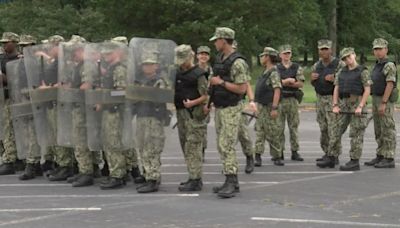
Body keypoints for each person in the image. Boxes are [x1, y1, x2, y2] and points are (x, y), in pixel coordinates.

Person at [207, 27, 250, 198]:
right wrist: (209, 102)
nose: (215, 43)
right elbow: (214, 83)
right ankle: (230, 180)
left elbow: (241, 88)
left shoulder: (238, 62)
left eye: (216, 40)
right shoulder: (220, 59)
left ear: (224, 40)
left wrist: (221, 83)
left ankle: (231, 180)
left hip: (232, 108)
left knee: (227, 144)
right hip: (220, 106)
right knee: (221, 144)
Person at [332, 47, 371, 171]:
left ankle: (354, 161)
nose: (347, 60)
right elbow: (336, 88)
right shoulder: (341, 71)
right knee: (335, 130)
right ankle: (332, 156)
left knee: (356, 134)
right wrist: (335, 105)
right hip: (343, 104)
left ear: (354, 55)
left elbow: (367, 89)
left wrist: (360, 106)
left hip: (357, 104)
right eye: (344, 58)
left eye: (349, 56)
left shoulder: (363, 71)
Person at [174, 45, 208, 191]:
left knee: (193, 146)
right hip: (181, 113)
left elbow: (206, 95)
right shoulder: (177, 72)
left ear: (190, 57)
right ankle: (192, 175)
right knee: (185, 145)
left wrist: (193, 103)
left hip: (193, 114)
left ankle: (196, 179)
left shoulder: (199, 74)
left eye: (184, 60)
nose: (182, 63)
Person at [311, 39, 345, 168]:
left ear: (331, 50)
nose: (324, 51)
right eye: (321, 49)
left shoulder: (339, 64)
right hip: (320, 98)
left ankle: (334, 155)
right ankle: (327, 152)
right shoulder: (317, 65)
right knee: (323, 127)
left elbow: (347, 78)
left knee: (333, 128)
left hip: (333, 98)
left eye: (326, 49)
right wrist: (312, 80)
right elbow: (313, 82)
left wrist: (335, 78)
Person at [365, 38, 396, 168]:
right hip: (376, 98)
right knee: (378, 129)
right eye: (376, 49)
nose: (378, 52)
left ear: (386, 50)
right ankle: (380, 154)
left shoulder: (389, 65)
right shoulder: (377, 65)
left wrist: (383, 102)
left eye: (380, 49)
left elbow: (390, 84)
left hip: (385, 100)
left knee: (387, 128)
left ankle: (389, 157)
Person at [254, 47, 284, 167]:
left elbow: (277, 90)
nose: (261, 58)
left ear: (268, 57)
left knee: (273, 131)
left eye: (263, 56)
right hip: (262, 106)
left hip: (270, 106)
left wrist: (274, 108)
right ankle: (257, 155)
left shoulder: (273, 72)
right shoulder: (265, 71)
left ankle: (277, 155)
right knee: (260, 131)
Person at [276, 44, 304, 162]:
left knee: (294, 126)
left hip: (292, 99)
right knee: (279, 127)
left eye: (288, 53)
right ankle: (279, 152)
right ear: (280, 55)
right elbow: (274, 82)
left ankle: (295, 151)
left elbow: (300, 83)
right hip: (280, 99)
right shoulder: (276, 68)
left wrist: (289, 83)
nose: (286, 55)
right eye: (284, 53)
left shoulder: (296, 67)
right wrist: (286, 81)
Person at [0, 32, 20, 175]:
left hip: (14, 97)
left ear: (14, 43)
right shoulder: (2, 59)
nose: (4, 45)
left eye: (7, 42)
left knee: (10, 130)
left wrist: (3, 77)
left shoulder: (18, 59)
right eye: (3, 43)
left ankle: (10, 159)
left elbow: (16, 80)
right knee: (6, 130)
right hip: (4, 97)